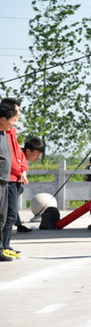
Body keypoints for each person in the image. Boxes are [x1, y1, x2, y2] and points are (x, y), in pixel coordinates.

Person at [1, 98, 25, 256]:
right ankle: (3, 245)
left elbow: (17, 155)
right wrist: (18, 171)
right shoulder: (5, 133)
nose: (18, 116)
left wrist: (23, 169)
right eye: (17, 112)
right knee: (7, 215)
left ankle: (4, 246)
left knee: (7, 215)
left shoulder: (9, 133)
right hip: (7, 178)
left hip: (10, 179)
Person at [15, 137, 45, 234]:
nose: (39, 157)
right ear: (28, 151)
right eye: (38, 154)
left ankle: (18, 225)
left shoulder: (24, 158)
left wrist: (23, 176)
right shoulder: (16, 153)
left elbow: (23, 168)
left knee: (14, 198)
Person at [0, 103, 15, 261]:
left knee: (2, 217)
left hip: (4, 181)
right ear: (3, 119)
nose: (13, 123)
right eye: (12, 120)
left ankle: (0, 248)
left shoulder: (4, 134)